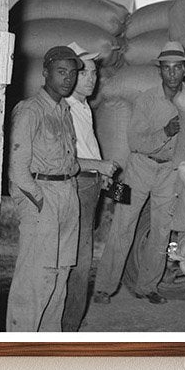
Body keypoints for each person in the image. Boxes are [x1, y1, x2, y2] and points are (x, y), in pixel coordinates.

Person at [91, 43, 185, 305]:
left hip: (170, 172)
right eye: (166, 69)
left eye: (177, 68)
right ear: (160, 71)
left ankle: (147, 286)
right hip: (138, 168)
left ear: (184, 71)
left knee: (161, 231)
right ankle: (104, 287)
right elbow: (135, 142)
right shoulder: (146, 99)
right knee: (122, 226)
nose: (171, 74)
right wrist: (166, 132)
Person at [6, 45, 83, 332]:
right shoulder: (30, 111)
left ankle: (49, 346)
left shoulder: (64, 110)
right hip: (43, 196)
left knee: (60, 278)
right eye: (61, 72)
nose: (68, 79)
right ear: (45, 73)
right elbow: (17, 168)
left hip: (67, 195)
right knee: (34, 281)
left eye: (72, 73)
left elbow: (68, 160)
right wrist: (38, 202)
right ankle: (19, 347)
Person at [61, 42, 119, 331]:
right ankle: (67, 329)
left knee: (82, 260)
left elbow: (85, 147)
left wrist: (101, 171)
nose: (91, 79)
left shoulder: (83, 107)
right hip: (76, 186)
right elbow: (63, 159)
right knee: (78, 264)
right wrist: (98, 166)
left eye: (94, 73)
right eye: (85, 74)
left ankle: (69, 324)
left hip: (89, 186)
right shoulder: (65, 110)